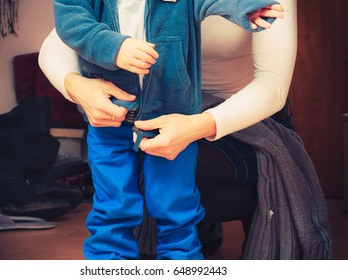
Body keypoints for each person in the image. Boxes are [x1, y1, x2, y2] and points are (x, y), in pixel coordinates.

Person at [40, 0, 332, 259]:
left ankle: (185, 250)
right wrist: (77, 86)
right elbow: (65, 28)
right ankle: (114, 258)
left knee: (173, 190)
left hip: (242, 117)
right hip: (150, 107)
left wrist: (246, 8)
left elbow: (272, 86)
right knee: (122, 189)